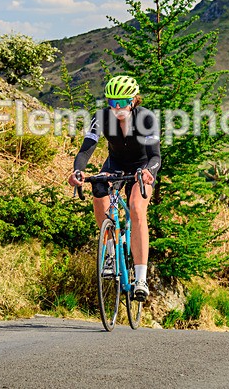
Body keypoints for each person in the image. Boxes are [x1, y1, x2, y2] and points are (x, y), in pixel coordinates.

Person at [68, 75, 161, 301]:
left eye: (122, 102)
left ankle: (141, 279)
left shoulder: (146, 118)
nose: (117, 108)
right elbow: (86, 149)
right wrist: (78, 170)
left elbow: (155, 156)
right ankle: (110, 251)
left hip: (142, 167)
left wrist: (148, 171)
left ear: (133, 100)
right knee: (99, 191)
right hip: (115, 165)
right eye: (112, 102)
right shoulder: (101, 117)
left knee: (137, 208)